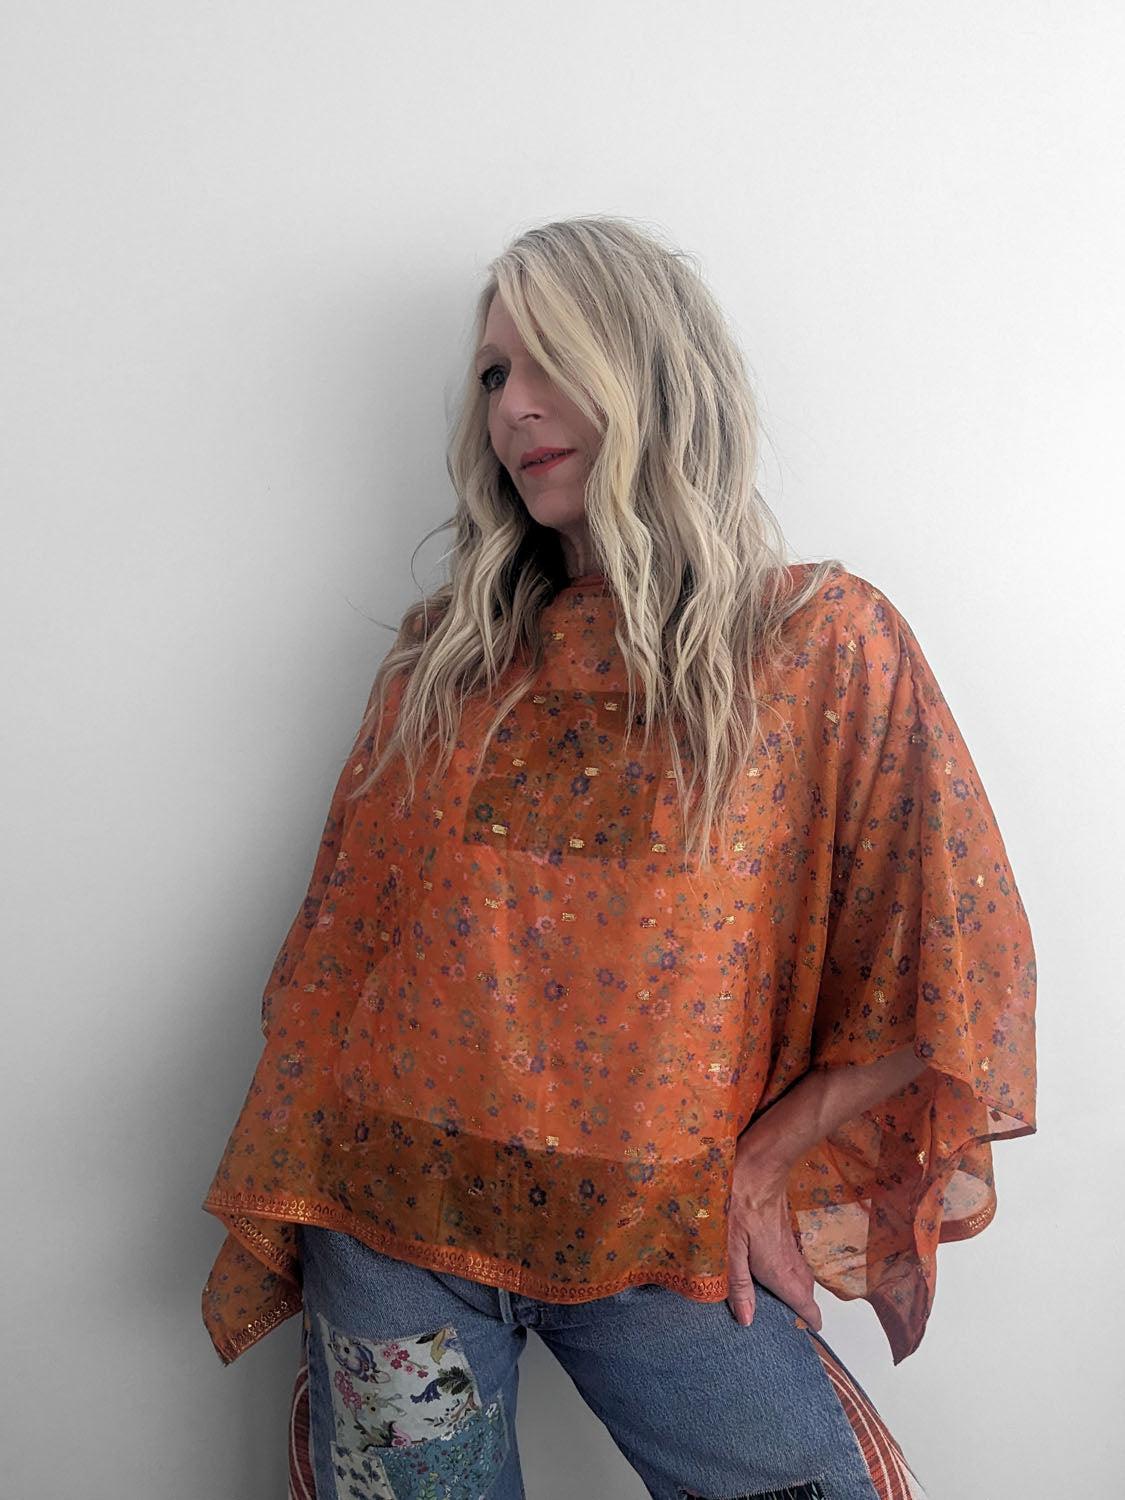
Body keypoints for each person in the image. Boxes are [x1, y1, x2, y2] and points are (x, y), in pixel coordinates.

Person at [202, 216, 1036, 1500]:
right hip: (394, 1231)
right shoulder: (450, 657)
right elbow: (348, 951)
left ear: (654, 374)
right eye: (493, 375)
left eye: (553, 363)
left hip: (662, 1236)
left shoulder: (818, 646)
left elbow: (954, 962)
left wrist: (760, 1164)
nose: (515, 409)